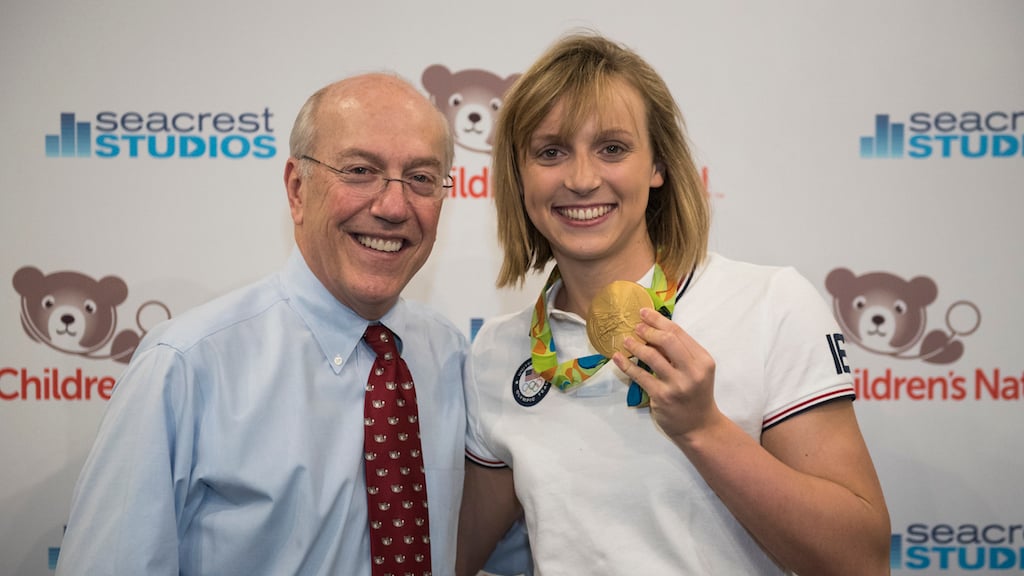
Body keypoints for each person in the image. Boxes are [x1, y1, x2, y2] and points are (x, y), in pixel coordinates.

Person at [457, 32, 891, 576]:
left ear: (657, 166)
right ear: (519, 177)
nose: (582, 178)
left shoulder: (769, 304)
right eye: (551, 151)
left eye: (612, 148)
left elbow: (861, 560)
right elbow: (454, 553)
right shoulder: (496, 351)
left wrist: (703, 429)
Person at [55, 73, 468, 576]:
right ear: (297, 189)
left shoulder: (452, 356)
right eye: (360, 170)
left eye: (421, 178)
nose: (393, 206)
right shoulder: (188, 365)